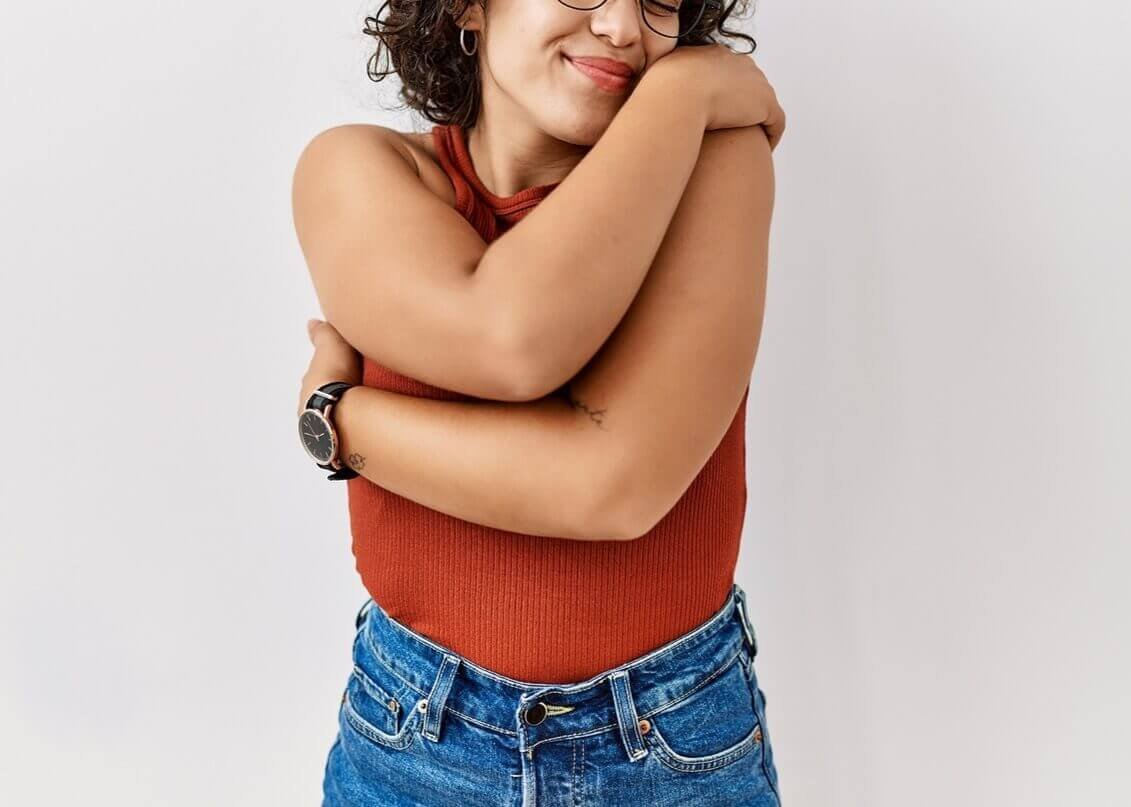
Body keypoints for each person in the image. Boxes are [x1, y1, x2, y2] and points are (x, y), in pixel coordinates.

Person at [292, 0, 786, 802]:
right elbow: (505, 337)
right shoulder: (355, 170)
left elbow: (611, 485)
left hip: (670, 743)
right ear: (466, 6)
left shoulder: (715, 160)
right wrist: (686, 92)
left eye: (661, 0)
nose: (623, 27)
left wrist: (338, 420)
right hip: (412, 734)